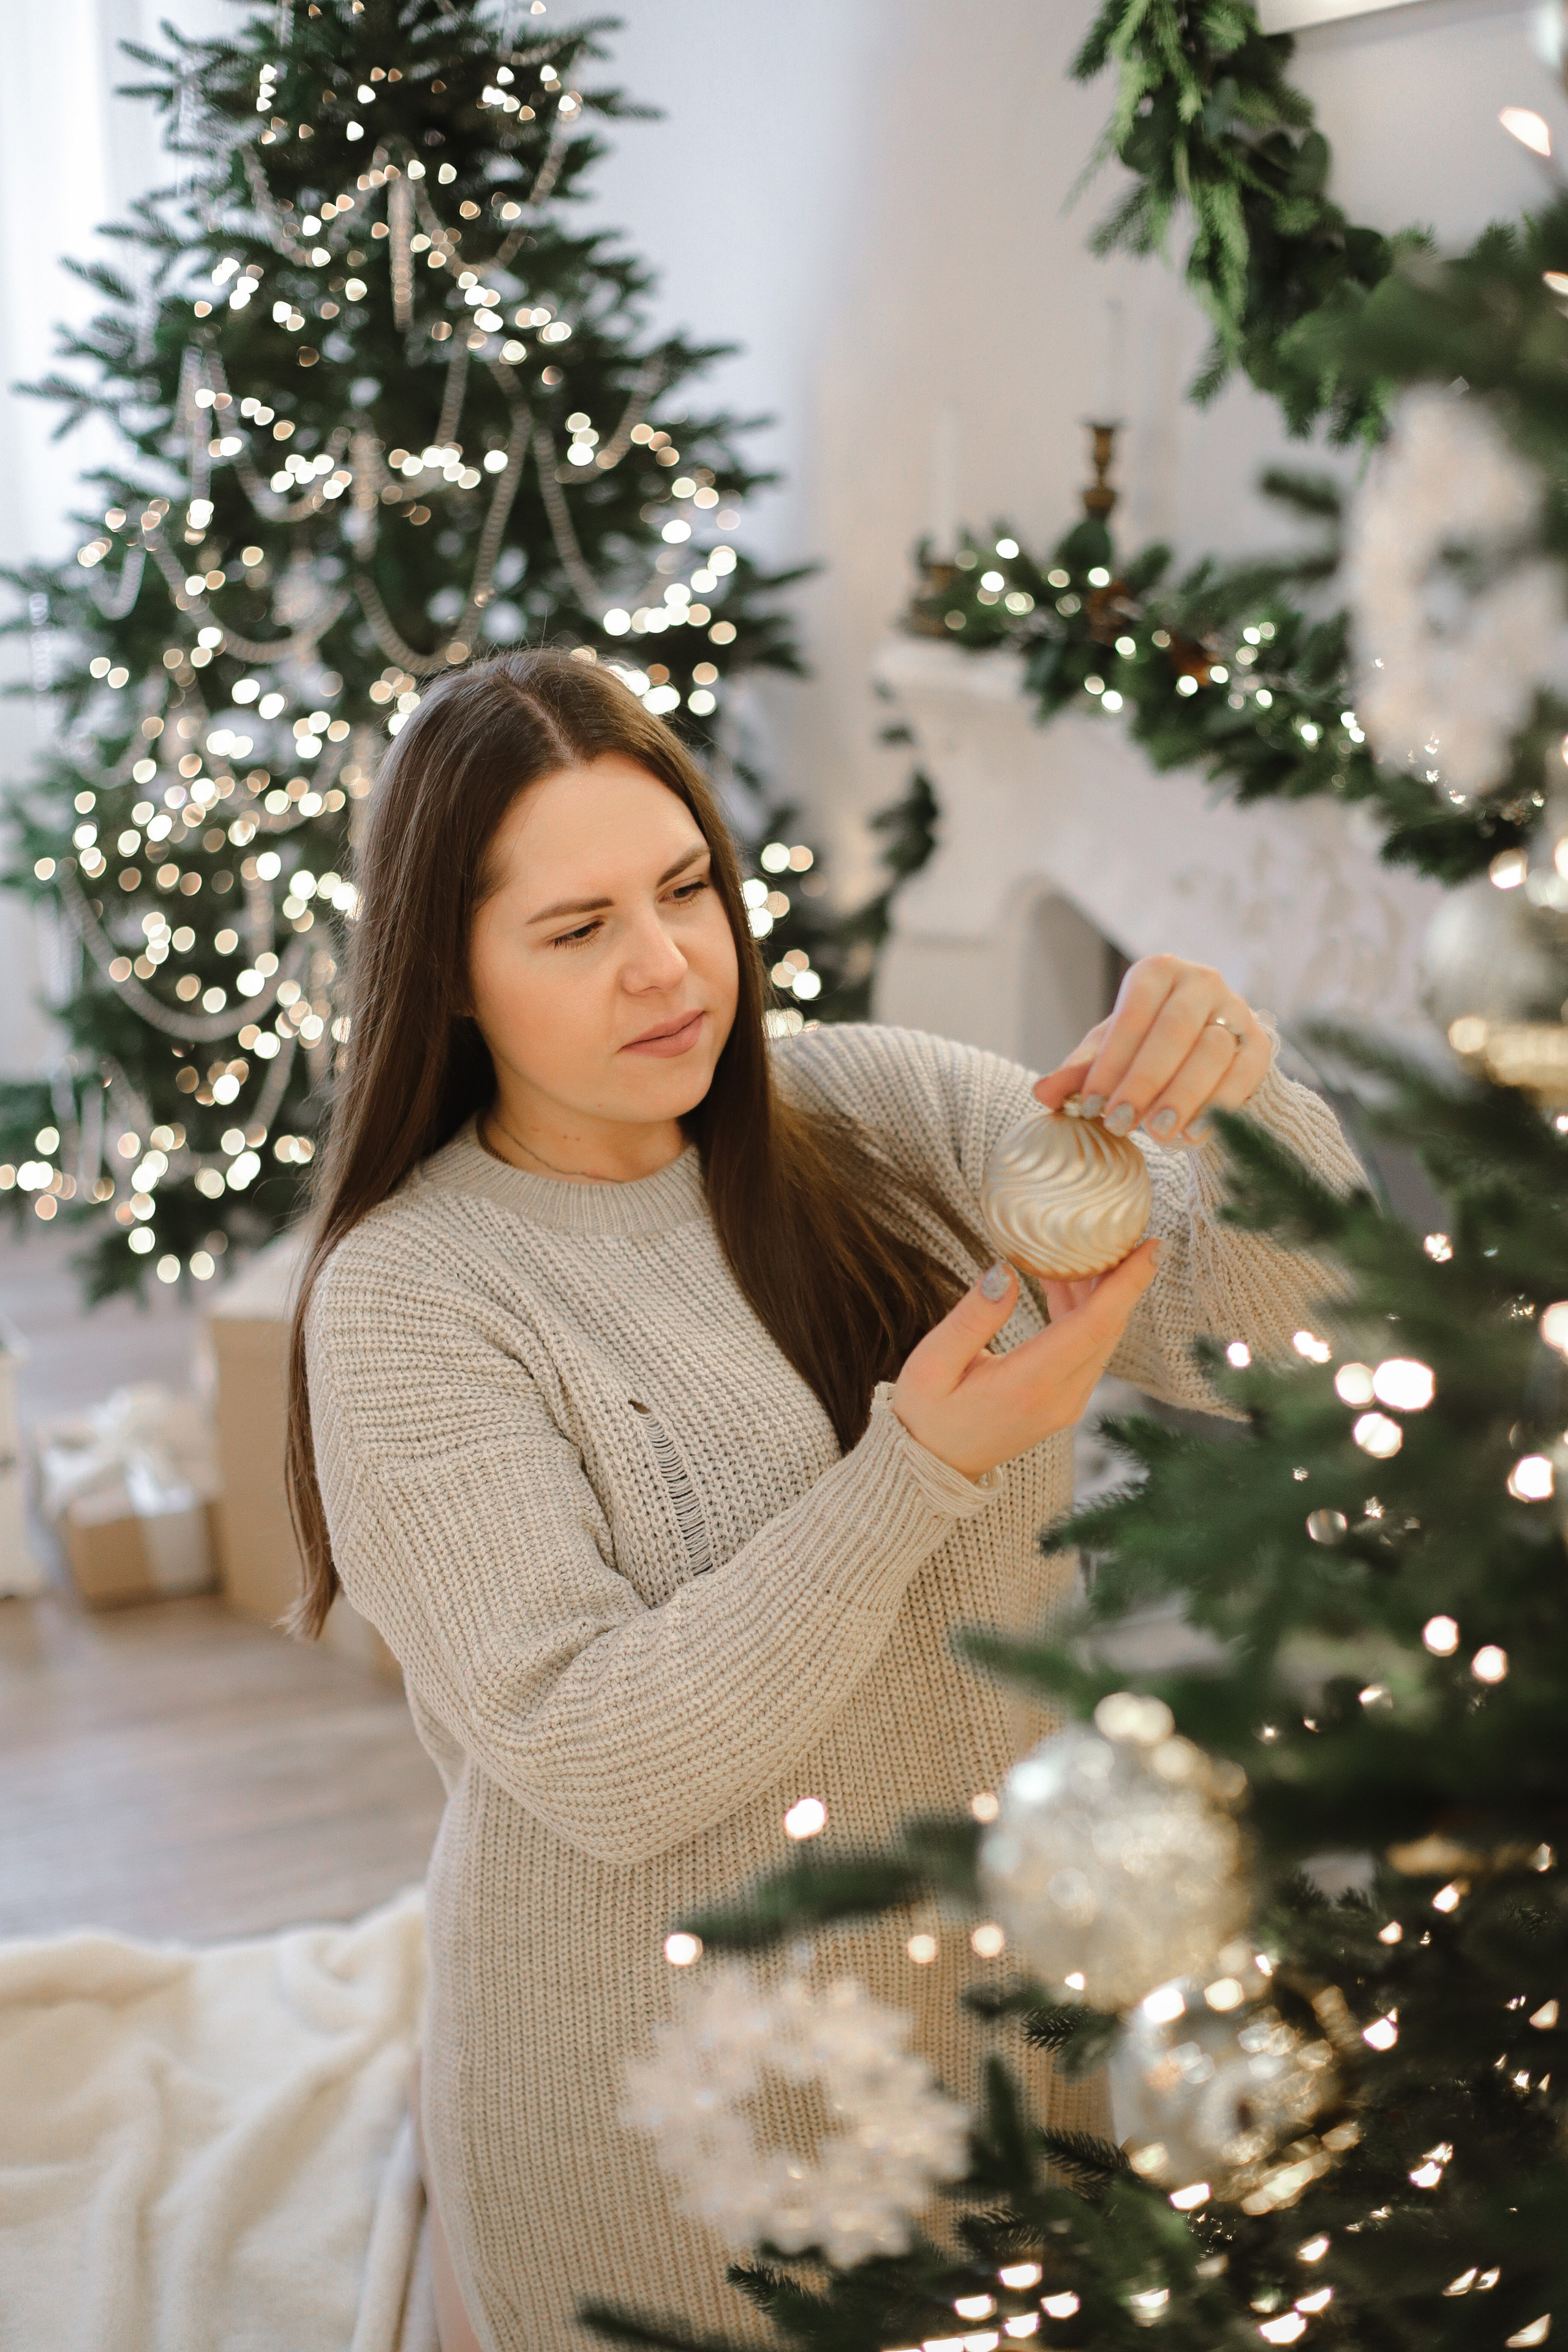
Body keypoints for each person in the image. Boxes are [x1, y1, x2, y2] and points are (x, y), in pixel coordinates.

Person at [288, 648, 1361, 2352]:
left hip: (1023, 2009)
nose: (666, 969)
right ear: (454, 979)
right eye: (575, 933)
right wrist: (915, 1471)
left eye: (685, 889)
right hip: (679, 2094)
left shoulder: (882, 1111)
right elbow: (596, 1754)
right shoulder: (410, 1301)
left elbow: (1305, 1335)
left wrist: (1245, 1104)